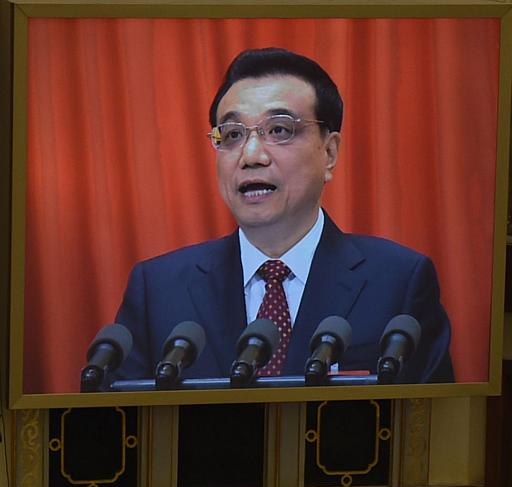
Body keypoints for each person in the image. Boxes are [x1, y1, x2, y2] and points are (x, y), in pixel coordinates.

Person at [110, 47, 453, 385]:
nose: (251, 155)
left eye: (279, 130)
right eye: (232, 135)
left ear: (330, 153)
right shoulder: (158, 288)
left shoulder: (399, 282)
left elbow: (432, 427)